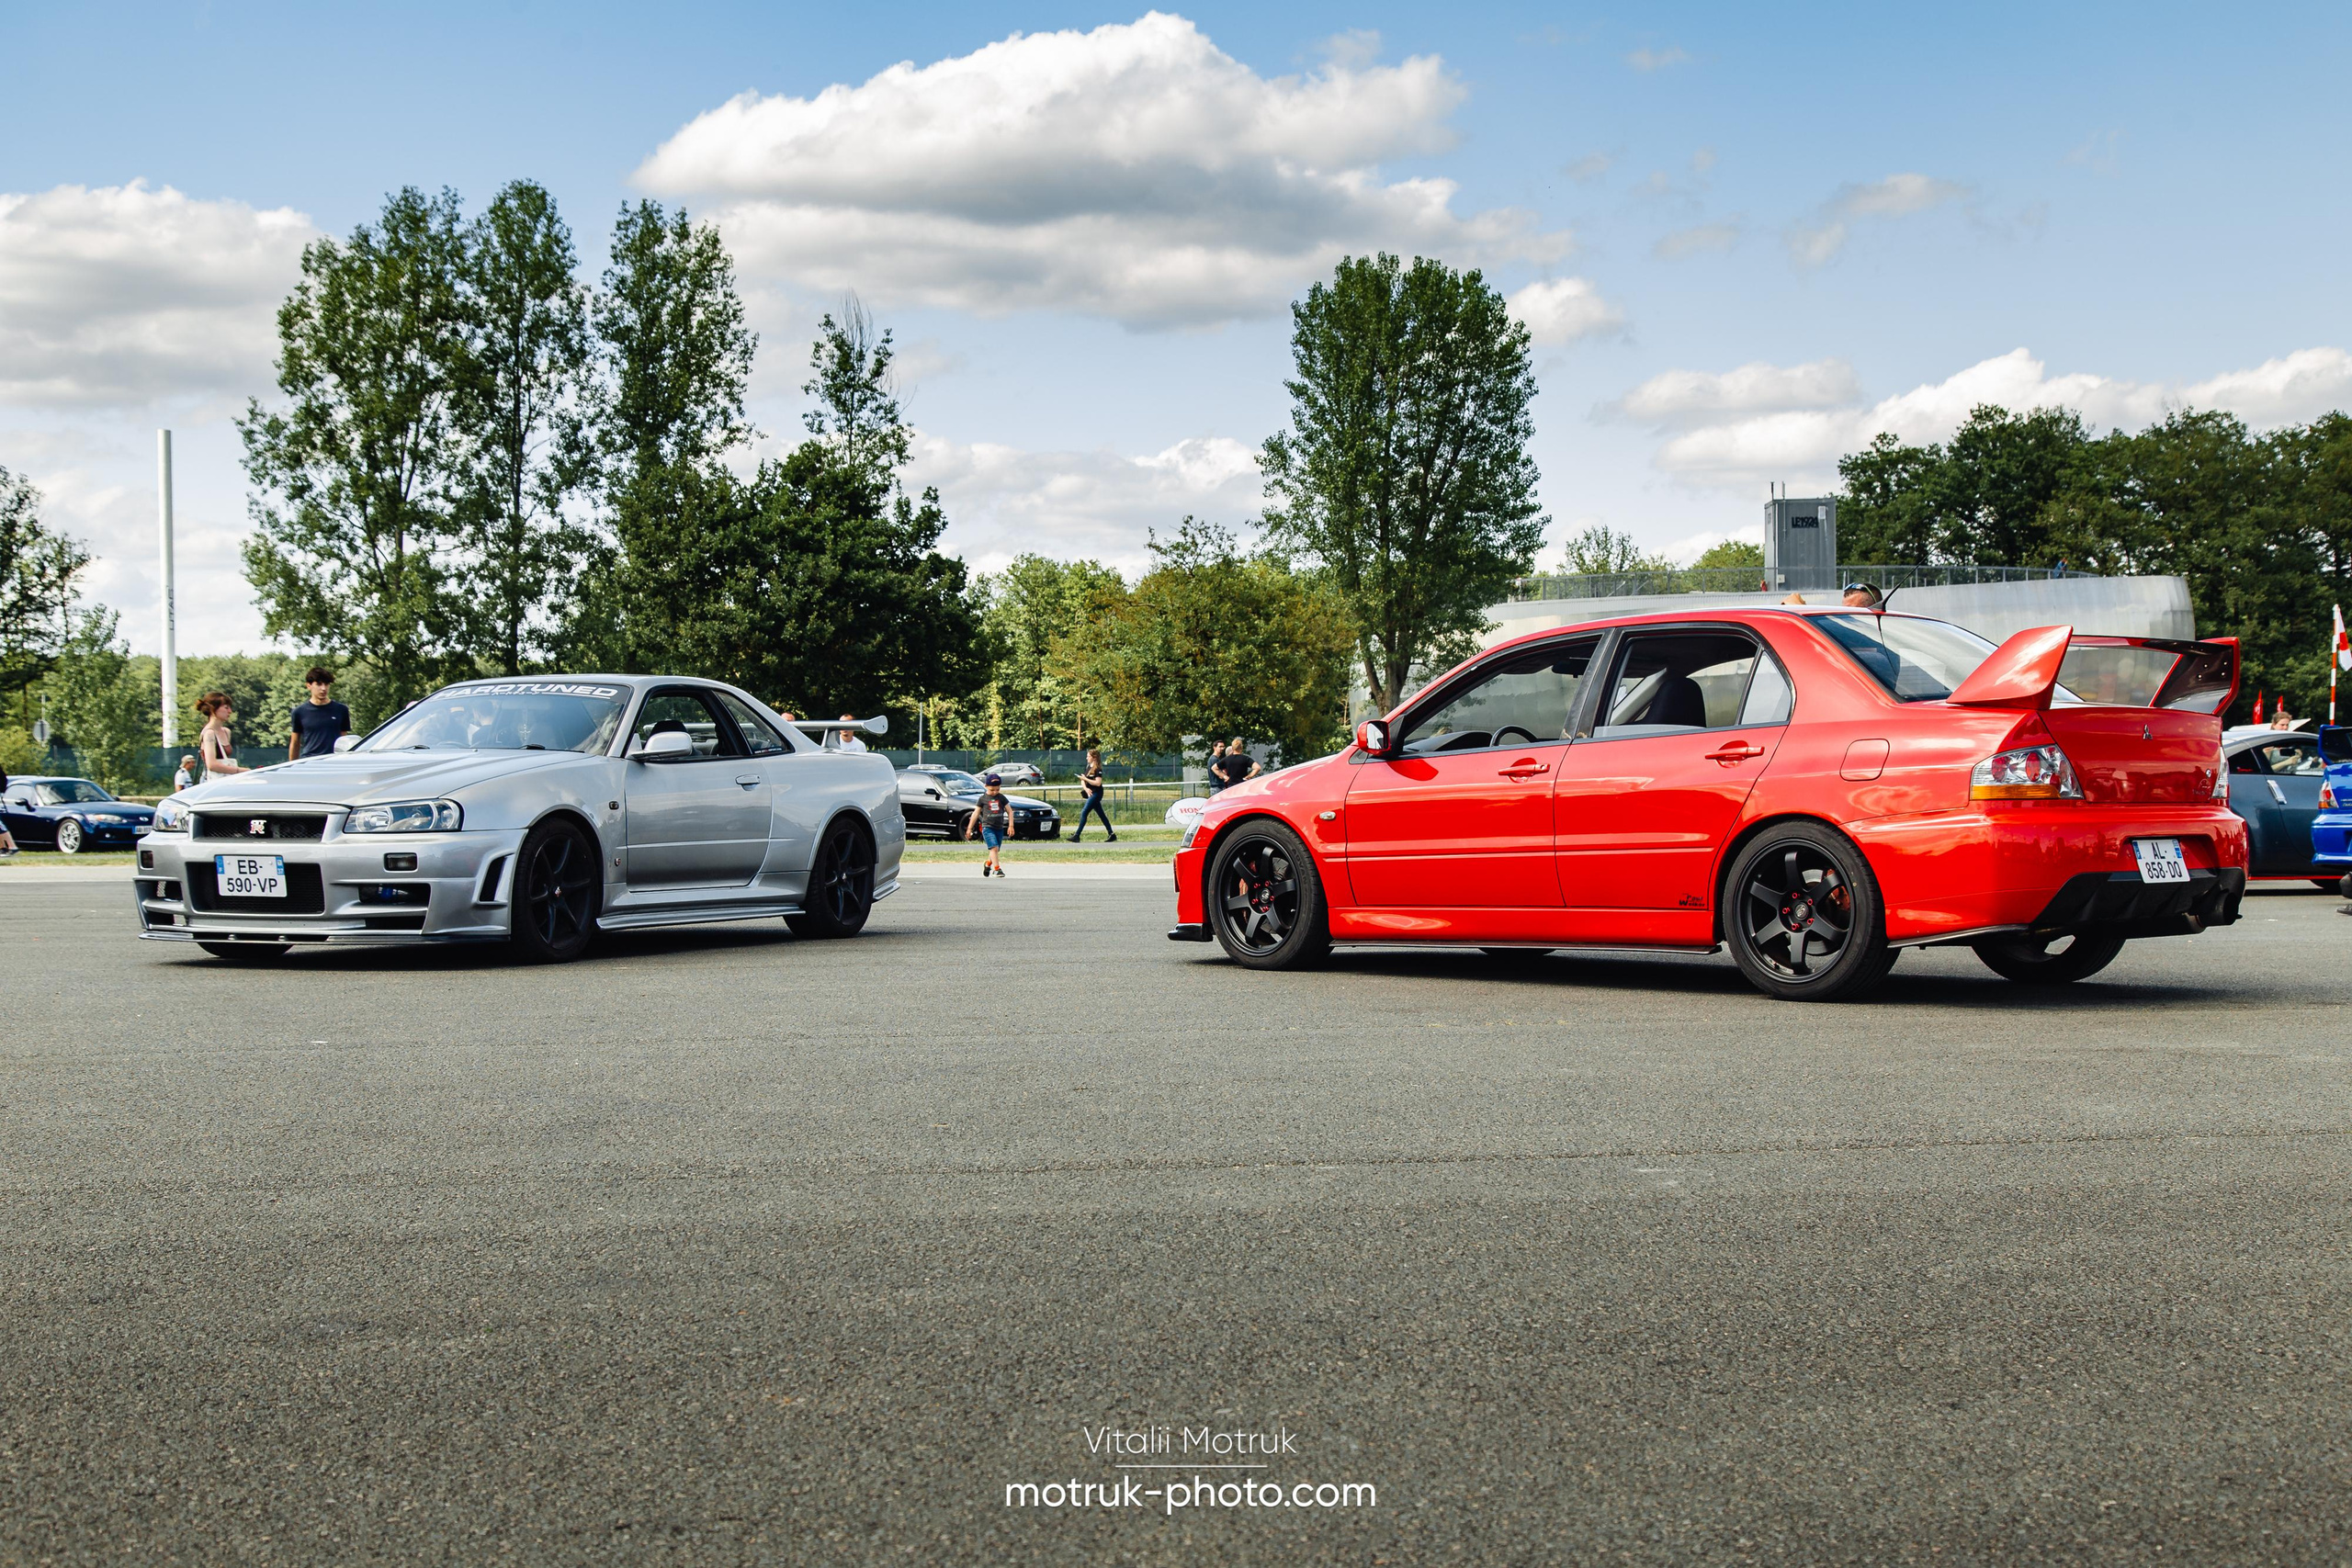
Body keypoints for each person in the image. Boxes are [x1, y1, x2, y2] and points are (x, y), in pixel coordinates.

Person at [288, 665, 351, 760]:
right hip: (309, 761)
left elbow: (343, 740)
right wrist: (291, 767)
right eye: (319, 684)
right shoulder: (299, 712)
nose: (323, 688)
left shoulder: (341, 710)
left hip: (335, 761)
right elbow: (295, 742)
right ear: (309, 686)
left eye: (326, 684)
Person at [965, 771, 1012, 877]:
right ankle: (997, 869)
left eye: (998, 789)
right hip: (987, 827)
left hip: (999, 828)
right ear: (986, 786)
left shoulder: (1001, 798)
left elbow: (1010, 811)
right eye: (992, 790)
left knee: (995, 850)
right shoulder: (983, 799)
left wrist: (1011, 826)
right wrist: (969, 829)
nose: (995, 792)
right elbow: (976, 813)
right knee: (994, 848)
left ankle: (988, 864)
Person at [196, 693, 248, 780]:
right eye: (226, 707)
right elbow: (211, 765)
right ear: (213, 709)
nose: (230, 711)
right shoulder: (209, 733)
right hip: (211, 781)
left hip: (224, 780)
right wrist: (240, 771)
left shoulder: (226, 732)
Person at [1071, 748, 1117, 842]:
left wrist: (1086, 780)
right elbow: (1083, 780)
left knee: (1084, 812)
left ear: (1094, 757)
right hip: (1090, 793)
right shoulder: (1088, 767)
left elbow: (1098, 783)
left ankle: (1077, 835)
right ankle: (1111, 834)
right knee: (1101, 814)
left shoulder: (1097, 769)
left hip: (1096, 793)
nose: (1086, 758)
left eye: (1088, 756)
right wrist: (1086, 788)